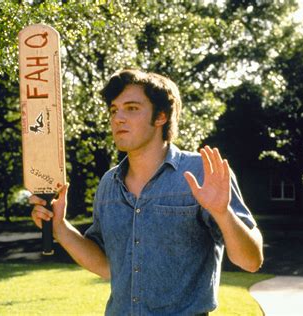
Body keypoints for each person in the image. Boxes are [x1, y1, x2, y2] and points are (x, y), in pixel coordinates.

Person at [29, 69, 264, 315]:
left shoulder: (201, 173)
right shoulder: (109, 183)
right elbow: (108, 266)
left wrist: (223, 212)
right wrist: (60, 228)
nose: (118, 118)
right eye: (113, 109)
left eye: (131, 108)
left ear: (161, 116)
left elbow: (251, 260)